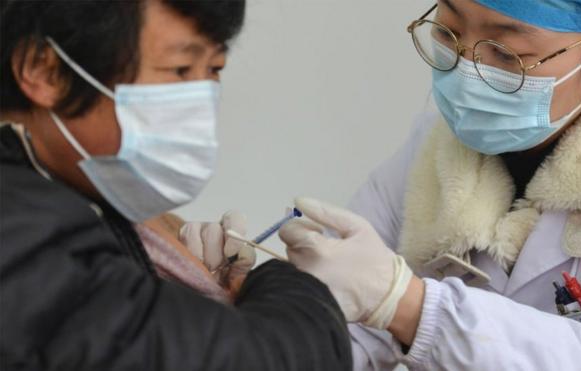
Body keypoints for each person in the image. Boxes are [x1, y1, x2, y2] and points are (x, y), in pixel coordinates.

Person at [279, 0, 581, 370]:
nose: (467, 70)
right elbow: (350, 328)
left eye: (507, 53)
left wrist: (409, 305)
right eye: (449, 31)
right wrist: (254, 316)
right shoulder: (434, 154)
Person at [0, 1, 352, 370]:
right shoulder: (20, 230)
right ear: (45, 71)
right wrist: (300, 285)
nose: (198, 100)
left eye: (214, 69)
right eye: (180, 69)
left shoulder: (74, 195)